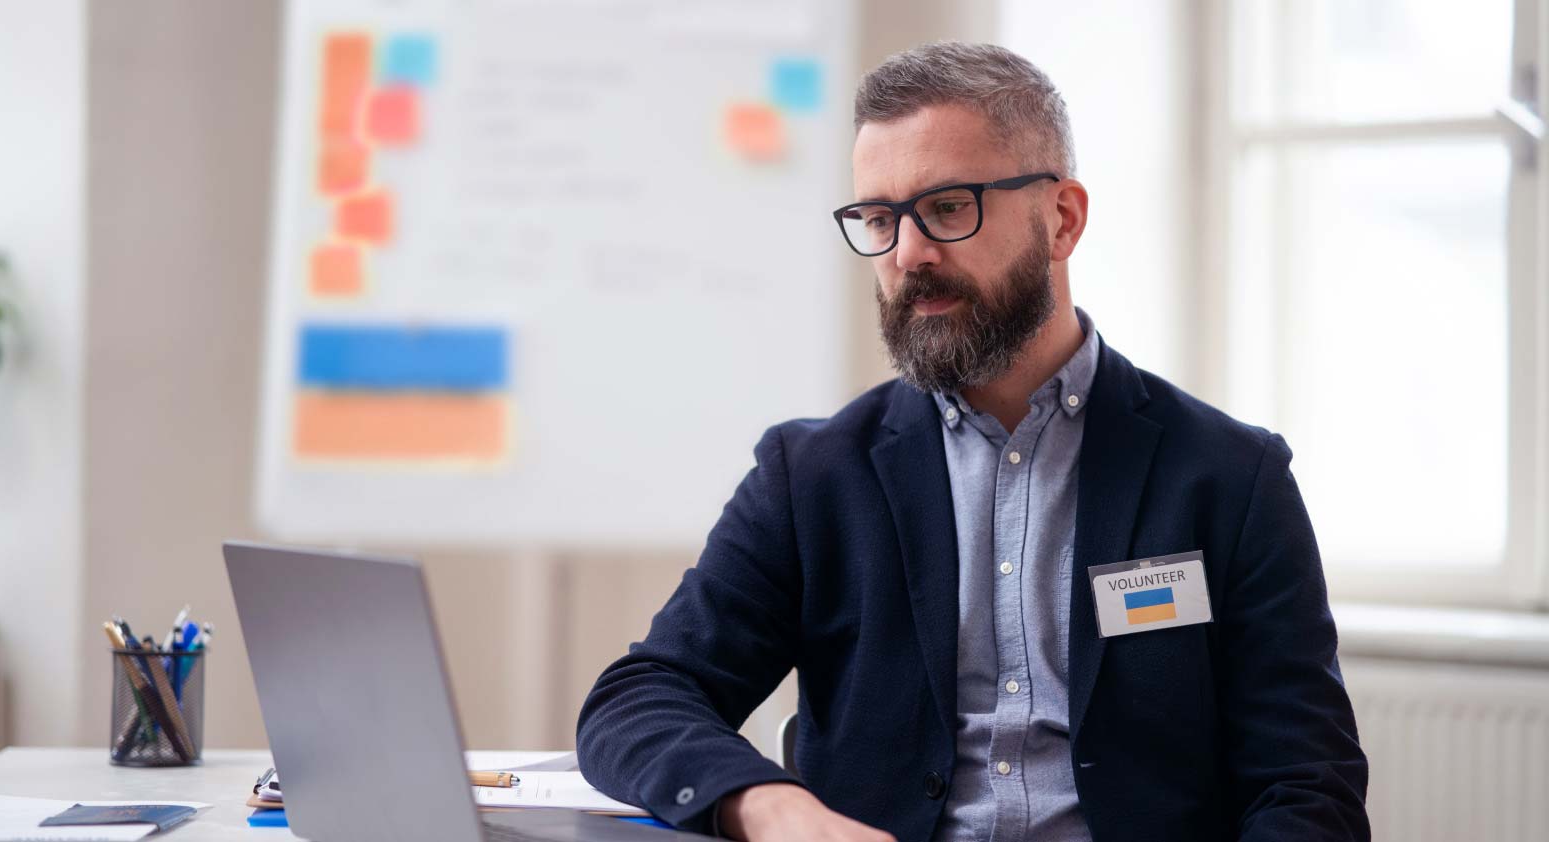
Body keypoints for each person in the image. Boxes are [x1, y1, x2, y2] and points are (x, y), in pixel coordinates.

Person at [576, 42, 1370, 842]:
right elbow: (639, 700)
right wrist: (773, 807)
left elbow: (1308, 786)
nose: (907, 253)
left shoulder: (1230, 478)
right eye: (879, 219)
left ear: (1062, 219)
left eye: (949, 207)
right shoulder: (812, 477)